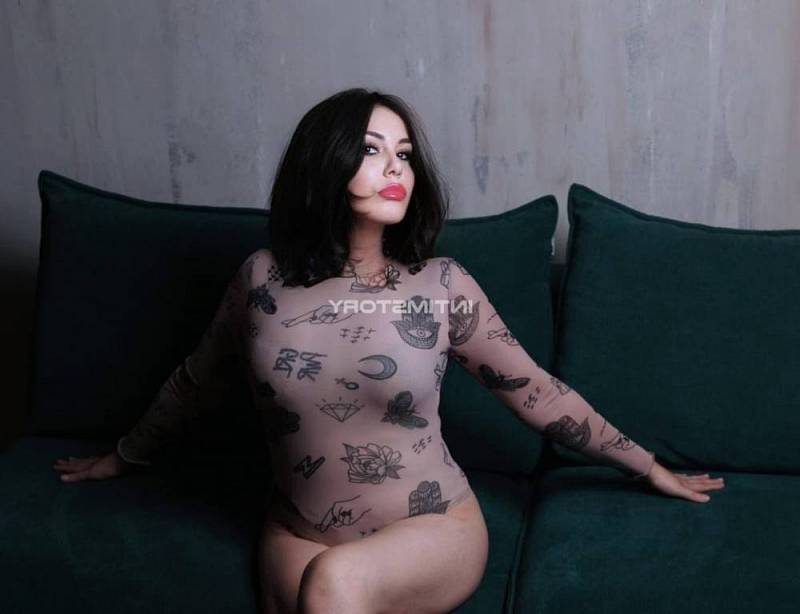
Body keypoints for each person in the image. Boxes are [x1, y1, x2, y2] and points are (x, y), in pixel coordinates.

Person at [52, 88, 725, 614]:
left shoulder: (441, 286)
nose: (396, 167)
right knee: (324, 582)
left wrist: (645, 465)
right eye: (372, 150)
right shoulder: (260, 281)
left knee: (335, 584)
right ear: (326, 163)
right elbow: (196, 383)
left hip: (432, 530)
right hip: (297, 534)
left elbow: (536, 392)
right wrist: (124, 456)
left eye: (403, 153)